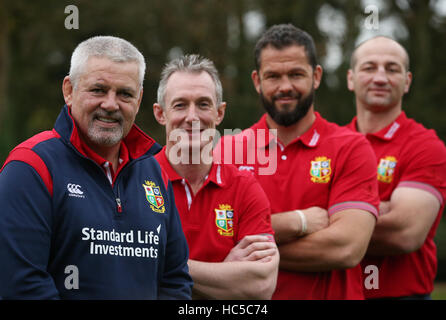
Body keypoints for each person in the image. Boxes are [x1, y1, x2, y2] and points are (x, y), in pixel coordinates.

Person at [0, 36, 192, 299]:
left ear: (138, 100)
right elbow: (21, 287)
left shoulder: (154, 171)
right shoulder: (31, 166)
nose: (111, 104)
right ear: (69, 90)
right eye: (98, 90)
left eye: (125, 94)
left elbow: (175, 280)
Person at [215, 24, 380, 300]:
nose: (285, 87)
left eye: (296, 74)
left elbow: (346, 247)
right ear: (257, 81)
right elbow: (208, 241)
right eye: (273, 76)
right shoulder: (226, 151)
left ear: (316, 76)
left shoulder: (351, 148)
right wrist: (297, 222)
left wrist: (244, 248)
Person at [152, 54, 279, 299]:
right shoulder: (133, 181)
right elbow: (124, 270)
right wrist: (224, 272)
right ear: (161, 113)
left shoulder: (244, 186)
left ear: (219, 113)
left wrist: (163, 265)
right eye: (180, 105)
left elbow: (260, 285)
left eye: (203, 104)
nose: (192, 117)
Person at [346, 36, 446, 299]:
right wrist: (382, 208)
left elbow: (404, 233)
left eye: (392, 69)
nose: (380, 78)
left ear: (407, 81)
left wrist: (333, 215)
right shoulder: (331, 145)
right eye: (369, 68)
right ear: (351, 78)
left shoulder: (426, 146)